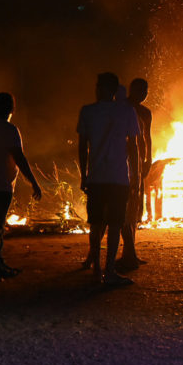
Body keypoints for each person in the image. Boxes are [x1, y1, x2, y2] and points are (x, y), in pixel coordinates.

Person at [78, 72, 140, 285]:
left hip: (101, 177)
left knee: (100, 224)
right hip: (116, 178)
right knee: (110, 224)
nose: (97, 90)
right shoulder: (125, 111)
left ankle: (100, 271)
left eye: (100, 86)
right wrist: (136, 174)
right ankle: (107, 271)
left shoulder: (89, 111)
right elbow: (133, 146)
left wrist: (84, 175)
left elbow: (83, 146)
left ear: (109, 89)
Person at [0, 92, 42, 279]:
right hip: (0, 186)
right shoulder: (10, 130)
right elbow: (19, 158)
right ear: (12, 108)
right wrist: (34, 182)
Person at [117, 78, 152, 272]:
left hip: (138, 165)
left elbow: (147, 138)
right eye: (141, 90)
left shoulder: (146, 112)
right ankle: (129, 253)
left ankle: (130, 253)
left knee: (135, 208)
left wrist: (148, 160)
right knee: (125, 207)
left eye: (146, 90)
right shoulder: (122, 109)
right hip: (125, 165)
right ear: (132, 90)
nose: (144, 93)